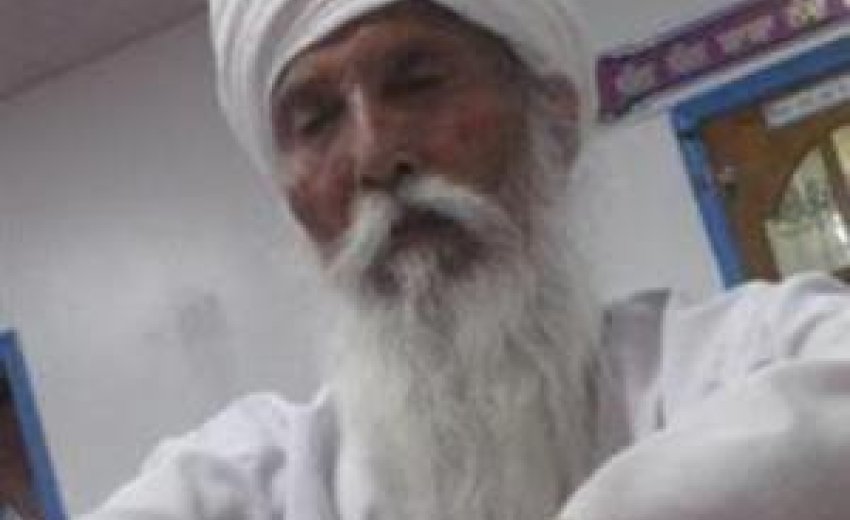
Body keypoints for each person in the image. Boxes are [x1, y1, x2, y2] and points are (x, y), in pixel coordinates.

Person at [82, 0, 850, 519]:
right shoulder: (259, 482)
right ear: (296, 208)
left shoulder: (739, 355)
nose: (375, 156)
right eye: (315, 121)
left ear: (553, 121)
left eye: (417, 83)